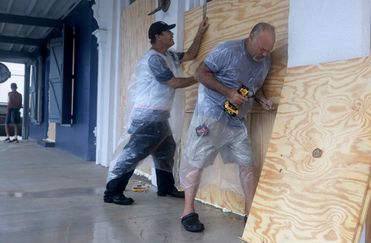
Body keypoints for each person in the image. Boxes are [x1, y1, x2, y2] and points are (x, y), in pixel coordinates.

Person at [180, 23, 276, 232]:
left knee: (247, 164)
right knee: (196, 162)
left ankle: (251, 214)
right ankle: (188, 211)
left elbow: (254, 88)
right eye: (261, 48)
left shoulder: (265, 60)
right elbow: (200, 73)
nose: (264, 53)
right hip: (210, 115)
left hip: (236, 121)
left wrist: (263, 101)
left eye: (268, 49)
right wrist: (228, 92)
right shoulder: (227, 50)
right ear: (251, 37)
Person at [104, 19, 209, 205]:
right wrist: (197, 78)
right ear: (158, 37)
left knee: (166, 149)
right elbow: (174, 83)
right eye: (168, 32)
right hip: (148, 117)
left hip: (159, 117)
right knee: (133, 153)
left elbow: (191, 54)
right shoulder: (153, 59)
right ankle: (112, 192)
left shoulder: (168, 56)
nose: (172, 35)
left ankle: (166, 187)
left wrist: (200, 32)